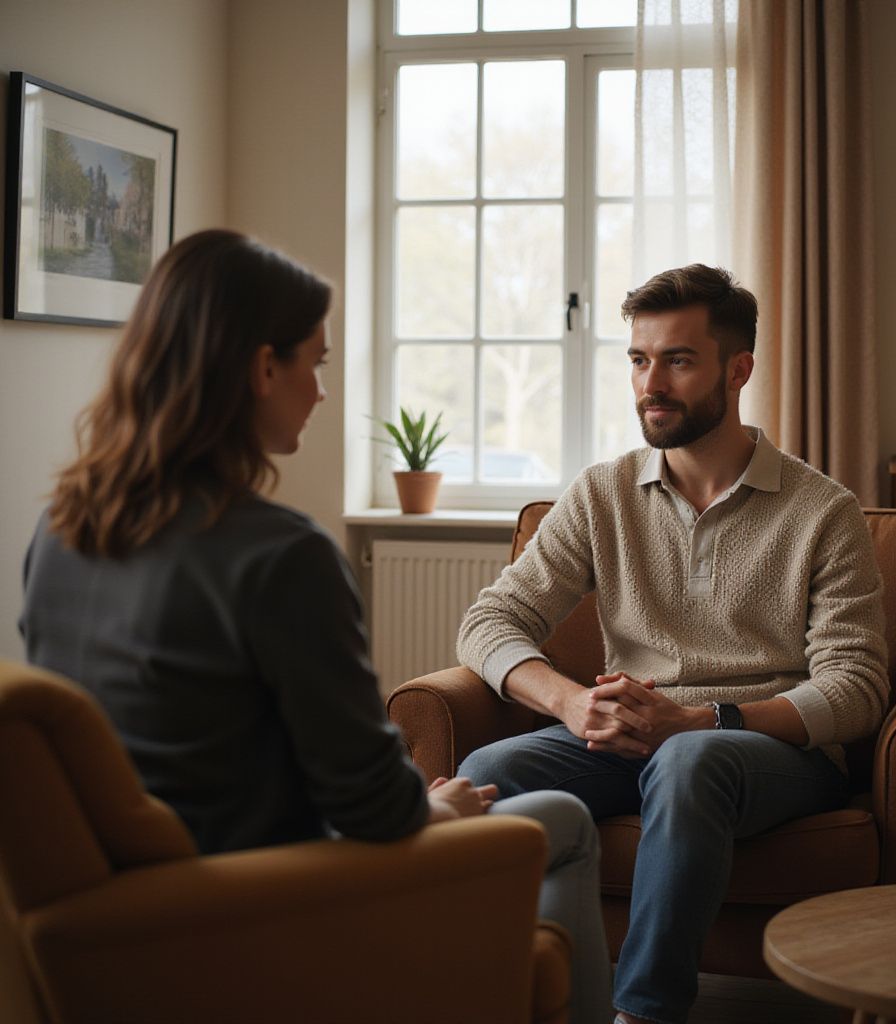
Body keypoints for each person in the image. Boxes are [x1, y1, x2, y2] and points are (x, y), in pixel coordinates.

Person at [20, 229, 611, 1024]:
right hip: (274, 902)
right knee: (563, 822)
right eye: (316, 363)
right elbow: (375, 809)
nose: (322, 391)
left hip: (138, 911)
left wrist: (405, 800)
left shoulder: (61, 532)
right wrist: (436, 810)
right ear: (265, 367)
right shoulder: (282, 556)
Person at [456, 264, 890, 1024]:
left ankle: (646, 1014)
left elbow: (855, 687)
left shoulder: (824, 511)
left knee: (691, 759)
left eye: (678, 361)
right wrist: (574, 703)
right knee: (491, 768)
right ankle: (502, 992)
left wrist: (701, 721)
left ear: (739, 369)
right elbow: (487, 623)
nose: (650, 383)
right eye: (638, 359)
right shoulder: (602, 493)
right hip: (627, 743)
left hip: (767, 754)